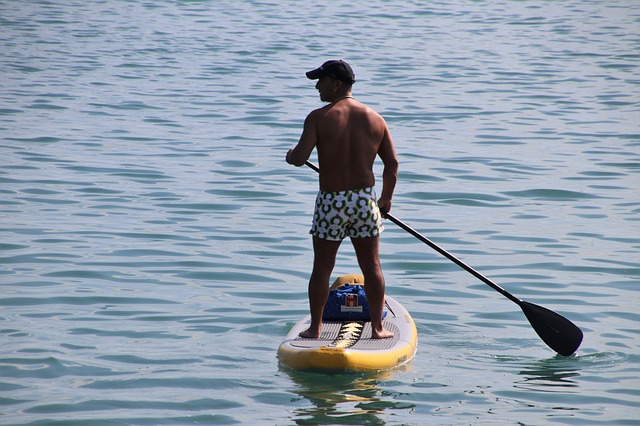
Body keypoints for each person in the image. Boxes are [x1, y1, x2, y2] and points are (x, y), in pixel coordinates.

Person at [286, 59, 399, 339]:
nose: (316, 86)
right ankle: (378, 328)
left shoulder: (318, 117)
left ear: (336, 84)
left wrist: (291, 155)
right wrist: (385, 200)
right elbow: (392, 163)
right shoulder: (375, 118)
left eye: (321, 80)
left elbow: (300, 158)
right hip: (364, 200)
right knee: (372, 266)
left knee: (322, 267)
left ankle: (315, 329)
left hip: (331, 202)